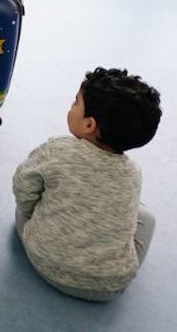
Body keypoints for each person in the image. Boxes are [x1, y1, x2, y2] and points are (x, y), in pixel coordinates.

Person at [13, 67, 161, 301]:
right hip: (108, 287)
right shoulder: (133, 171)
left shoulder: (57, 150)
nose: (71, 106)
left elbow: (23, 188)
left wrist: (34, 212)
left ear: (89, 125)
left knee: (24, 206)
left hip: (45, 261)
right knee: (147, 218)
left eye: (75, 103)